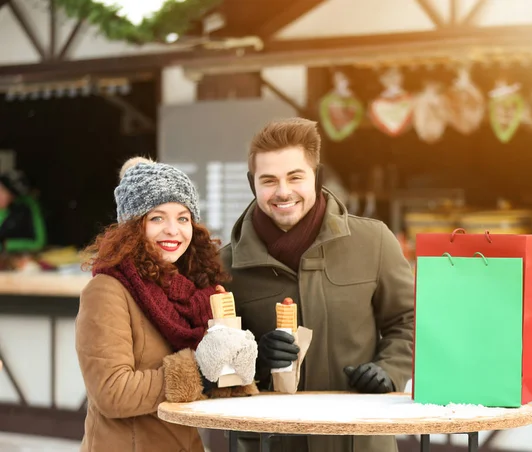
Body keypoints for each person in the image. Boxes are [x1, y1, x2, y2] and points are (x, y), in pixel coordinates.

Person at [220, 118, 415, 452]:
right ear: (253, 184)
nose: (283, 191)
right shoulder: (226, 266)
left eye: (295, 177)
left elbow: (410, 320)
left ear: (317, 177)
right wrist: (256, 360)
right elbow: (216, 366)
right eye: (269, 180)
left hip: (361, 441)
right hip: (270, 444)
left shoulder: (374, 241)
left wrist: (389, 370)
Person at [76, 157, 249, 452]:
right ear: (132, 227)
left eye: (183, 218)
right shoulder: (107, 290)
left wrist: (253, 362)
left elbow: (221, 378)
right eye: (157, 218)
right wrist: (201, 371)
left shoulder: (193, 292)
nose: (173, 230)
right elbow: (112, 393)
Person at [0, 170, 46, 253]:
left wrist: (7, 244)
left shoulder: (26, 208)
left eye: (5, 192)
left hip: (15, 258)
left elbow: (39, 243)